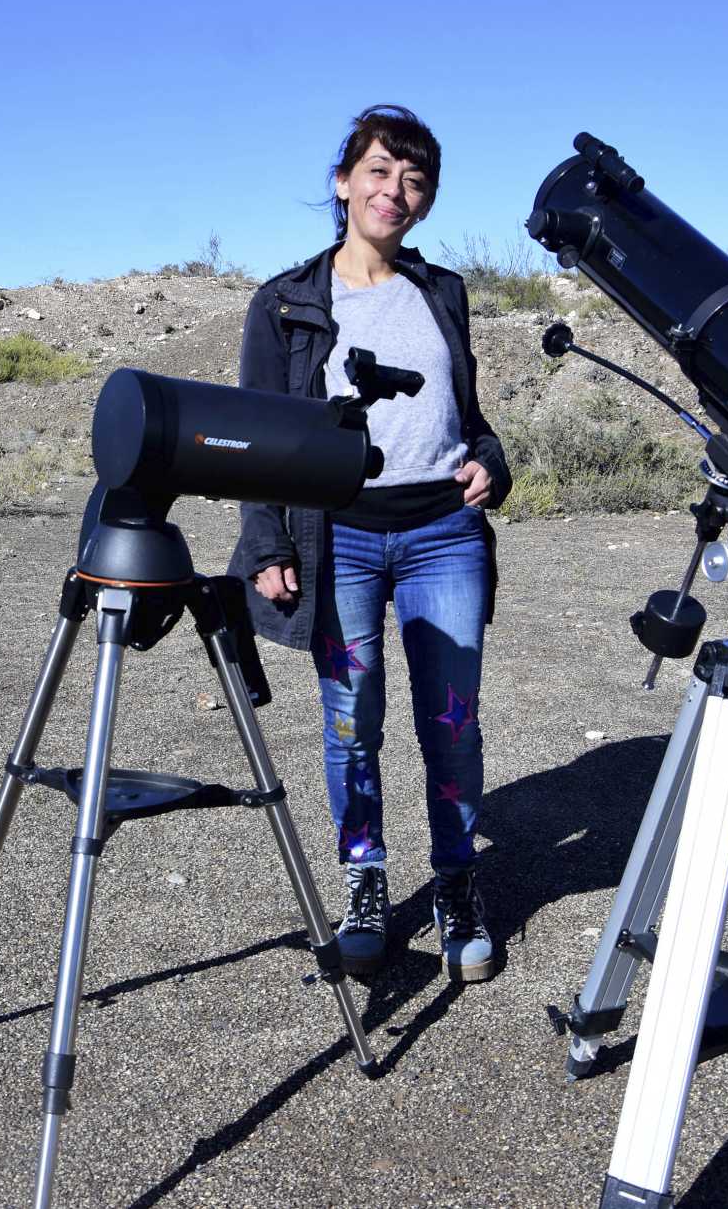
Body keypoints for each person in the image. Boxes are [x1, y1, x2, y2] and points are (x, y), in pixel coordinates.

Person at [228, 105, 511, 983]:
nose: (397, 192)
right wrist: (266, 540)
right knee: (353, 726)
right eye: (381, 172)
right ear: (345, 181)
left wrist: (492, 459)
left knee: (451, 723)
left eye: (416, 180)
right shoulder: (285, 303)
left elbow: (467, 413)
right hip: (338, 538)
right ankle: (365, 879)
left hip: (442, 535)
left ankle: (457, 881)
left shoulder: (443, 291)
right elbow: (258, 434)